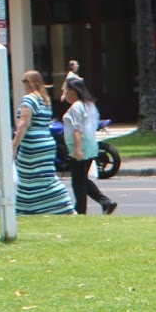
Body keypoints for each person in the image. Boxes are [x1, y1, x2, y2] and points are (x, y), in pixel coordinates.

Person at [10, 70, 74, 215]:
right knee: (45, 176)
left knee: (28, 178)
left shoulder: (29, 100)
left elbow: (23, 124)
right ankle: (34, 209)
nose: (23, 85)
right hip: (47, 142)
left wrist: (14, 145)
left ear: (30, 83)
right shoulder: (45, 100)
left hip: (32, 144)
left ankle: (27, 210)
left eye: (24, 82)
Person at [61, 79, 117, 215]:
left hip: (81, 147)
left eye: (66, 90)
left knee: (78, 182)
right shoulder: (90, 105)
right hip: (91, 146)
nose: (64, 94)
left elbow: (77, 129)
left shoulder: (76, 107)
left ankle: (81, 210)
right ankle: (105, 203)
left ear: (73, 91)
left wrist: (77, 149)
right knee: (82, 179)